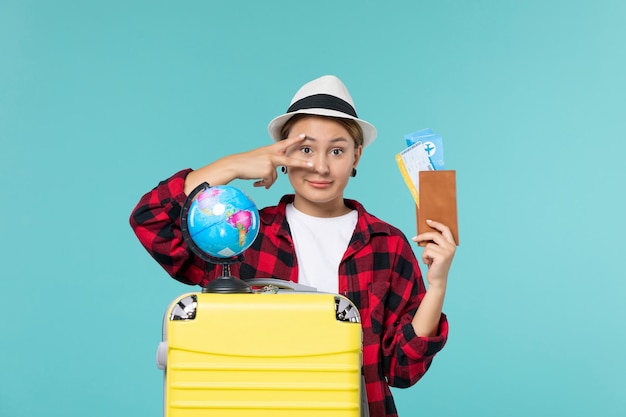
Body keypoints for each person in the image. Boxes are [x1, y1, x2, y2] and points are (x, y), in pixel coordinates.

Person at [130, 75, 456, 417]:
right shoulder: (242, 234)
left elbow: (402, 370)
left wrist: (437, 285)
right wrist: (231, 165)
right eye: (305, 149)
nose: (320, 166)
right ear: (281, 154)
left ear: (356, 156)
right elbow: (150, 219)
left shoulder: (386, 245)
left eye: (337, 150)